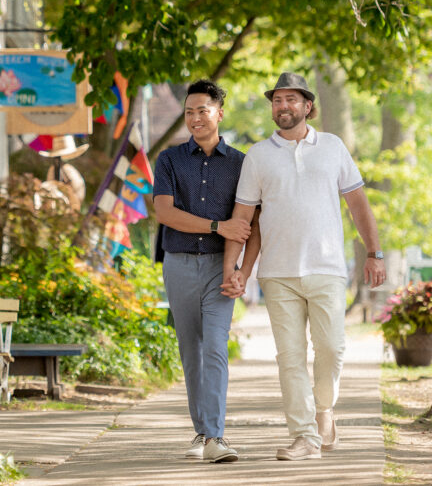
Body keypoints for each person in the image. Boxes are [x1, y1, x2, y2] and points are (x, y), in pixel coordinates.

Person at [222, 71, 386, 461]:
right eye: (277, 100)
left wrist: (375, 253)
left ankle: (325, 410)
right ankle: (304, 436)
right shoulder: (259, 155)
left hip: (327, 268)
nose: (283, 106)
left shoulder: (333, 147)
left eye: (291, 100)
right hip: (277, 273)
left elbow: (358, 204)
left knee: (332, 348)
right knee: (290, 357)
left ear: (307, 106)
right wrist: (237, 269)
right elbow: (243, 216)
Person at [152, 79, 251, 463]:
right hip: (178, 265)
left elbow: (248, 222)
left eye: (202, 110)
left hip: (218, 267)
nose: (195, 118)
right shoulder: (169, 160)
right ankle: (202, 432)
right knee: (190, 352)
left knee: (215, 348)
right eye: (189, 111)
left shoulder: (242, 164)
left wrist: (240, 268)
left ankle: (214, 435)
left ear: (219, 113)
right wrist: (216, 225)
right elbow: (165, 213)